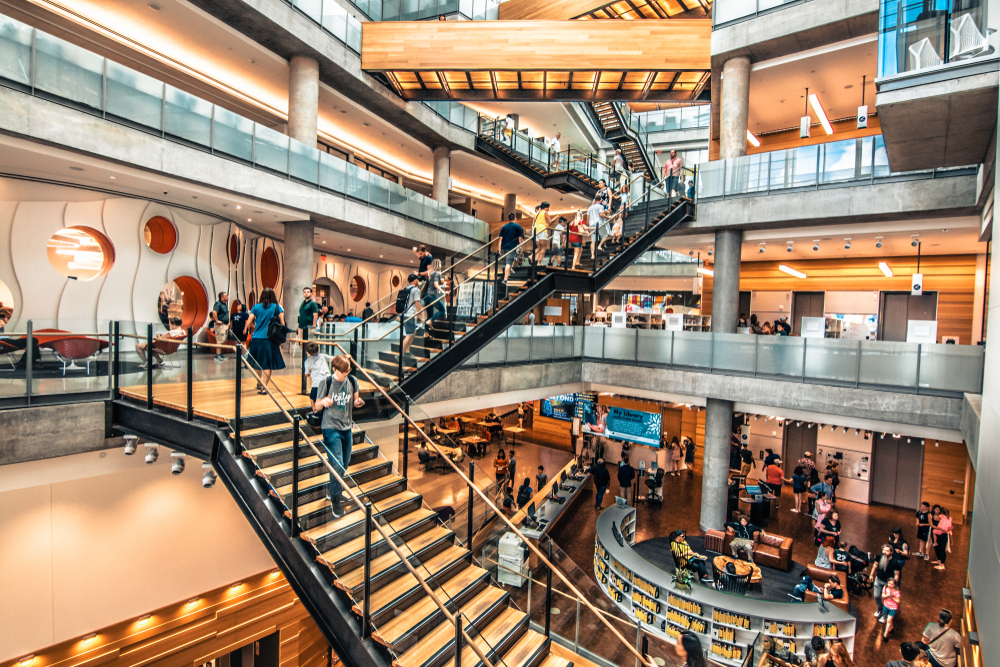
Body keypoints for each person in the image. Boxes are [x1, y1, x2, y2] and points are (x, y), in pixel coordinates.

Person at [313, 355, 363, 518]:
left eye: (348, 372)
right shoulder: (326, 383)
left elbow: (355, 400)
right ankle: (335, 500)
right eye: (343, 373)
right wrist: (323, 403)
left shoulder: (352, 381)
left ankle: (332, 491)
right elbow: (317, 406)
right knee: (338, 464)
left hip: (347, 427)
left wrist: (357, 402)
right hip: (330, 428)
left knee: (345, 463)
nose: (345, 375)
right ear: (335, 369)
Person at [246, 287, 286, 393]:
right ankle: (264, 386)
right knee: (267, 364)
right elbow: (282, 323)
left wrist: (246, 329)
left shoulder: (256, 307)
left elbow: (249, 321)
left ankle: (259, 382)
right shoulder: (277, 307)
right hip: (270, 339)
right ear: (273, 296)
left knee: (257, 362)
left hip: (256, 338)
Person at [870, 544, 902, 621]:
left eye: (887, 551)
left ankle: (884, 615)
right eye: (883, 550)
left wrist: (893, 587)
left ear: (891, 552)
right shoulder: (879, 556)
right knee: (877, 596)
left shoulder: (895, 562)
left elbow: (896, 575)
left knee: (887, 599)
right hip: (878, 579)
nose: (884, 552)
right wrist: (871, 574)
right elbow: (875, 565)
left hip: (888, 583)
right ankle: (880, 609)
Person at [498, 214, 525, 281]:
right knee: (508, 263)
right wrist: (522, 248)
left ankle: (508, 275)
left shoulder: (504, 227)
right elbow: (520, 239)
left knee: (509, 262)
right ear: (515, 219)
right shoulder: (518, 226)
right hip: (511, 247)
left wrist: (499, 249)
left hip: (504, 247)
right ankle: (505, 279)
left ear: (508, 219)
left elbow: (500, 239)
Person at [399, 274, 422, 356]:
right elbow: (417, 303)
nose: (418, 281)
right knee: (409, 335)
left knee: (413, 332)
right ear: (415, 280)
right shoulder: (416, 290)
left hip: (403, 315)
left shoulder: (405, 288)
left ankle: (407, 351)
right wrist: (421, 314)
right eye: (417, 279)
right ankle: (400, 355)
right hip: (410, 315)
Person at [423, 259, 446, 323]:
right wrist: (443, 291)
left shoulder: (430, 273)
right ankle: (431, 321)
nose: (441, 265)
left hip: (426, 296)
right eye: (440, 263)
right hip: (432, 296)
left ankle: (426, 332)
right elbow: (435, 284)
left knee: (429, 315)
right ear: (438, 265)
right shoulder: (437, 273)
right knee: (442, 310)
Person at [931, 506, 953, 571]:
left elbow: (951, 527)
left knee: (942, 549)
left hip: (942, 535)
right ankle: (939, 561)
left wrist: (946, 530)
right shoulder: (944, 518)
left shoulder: (944, 518)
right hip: (939, 534)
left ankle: (942, 564)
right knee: (938, 547)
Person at [210, 291, 230, 361]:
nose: (228, 297)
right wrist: (217, 320)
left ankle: (220, 354)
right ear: (222, 297)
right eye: (226, 296)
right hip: (220, 326)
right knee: (219, 340)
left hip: (224, 325)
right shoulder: (218, 304)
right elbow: (214, 312)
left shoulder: (224, 305)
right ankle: (217, 355)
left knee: (222, 340)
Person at [532, 201, 551, 265]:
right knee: (543, 248)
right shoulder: (545, 212)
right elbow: (549, 221)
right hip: (542, 230)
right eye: (548, 208)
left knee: (538, 247)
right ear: (546, 208)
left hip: (535, 231)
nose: (548, 209)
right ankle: (539, 263)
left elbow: (534, 223)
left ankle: (532, 257)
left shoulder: (536, 213)